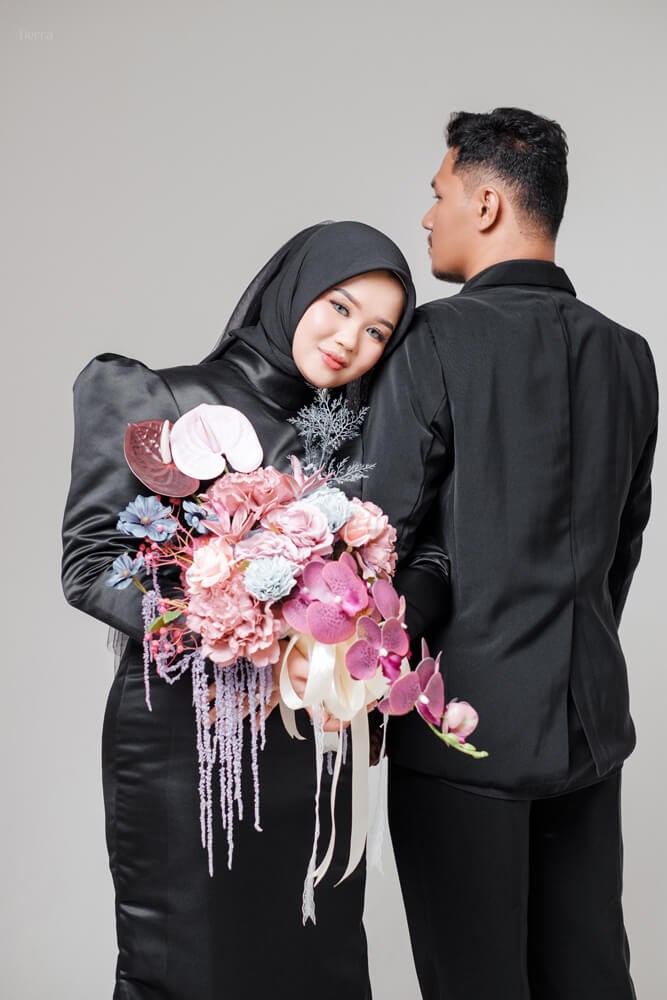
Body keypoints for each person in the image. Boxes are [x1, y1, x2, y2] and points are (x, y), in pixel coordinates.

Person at [61, 220, 434, 1000]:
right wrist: (234, 617)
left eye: (376, 331)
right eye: (338, 307)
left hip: (313, 746)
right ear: (290, 290)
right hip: (185, 742)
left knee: (317, 963)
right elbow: (90, 566)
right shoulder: (157, 396)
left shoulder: (353, 441)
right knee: (192, 962)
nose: (349, 341)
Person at [361, 108, 658, 1000]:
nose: (427, 217)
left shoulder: (432, 340)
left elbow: (379, 544)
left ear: (486, 204)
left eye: (438, 194)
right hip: (588, 721)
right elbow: (621, 547)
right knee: (589, 977)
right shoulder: (629, 355)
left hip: (461, 732)